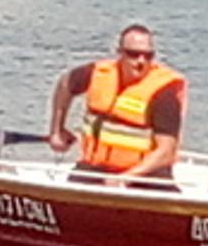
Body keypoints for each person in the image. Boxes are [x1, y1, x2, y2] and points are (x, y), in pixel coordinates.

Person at [46, 24, 186, 187]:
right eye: (133, 54)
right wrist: (57, 130)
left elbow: (166, 153)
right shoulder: (98, 74)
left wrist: (127, 178)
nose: (141, 61)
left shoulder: (163, 93)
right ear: (120, 53)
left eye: (148, 56)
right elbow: (65, 83)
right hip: (95, 168)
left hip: (146, 175)